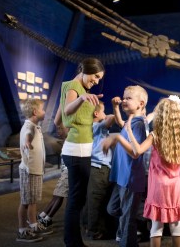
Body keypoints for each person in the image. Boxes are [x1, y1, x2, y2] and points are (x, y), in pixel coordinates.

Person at [109, 95, 180, 247]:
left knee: (156, 227)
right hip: (174, 188)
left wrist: (128, 132)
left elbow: (137, 151)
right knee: (176, 226)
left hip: (158, 187)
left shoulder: (155, 136)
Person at [59, 57, 105, 247]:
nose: (96, 81)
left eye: (99, 79)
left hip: (79, 149)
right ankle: (72, 242)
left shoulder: (81, 90)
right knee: (76, 200)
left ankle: (72, 240)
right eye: (95, 76)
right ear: (86, 69)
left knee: (77, 198)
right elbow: (67, 111)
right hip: (77, 151)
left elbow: (58, 118)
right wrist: (81, 98)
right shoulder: (73, 86)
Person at [102, 85, 148, 247]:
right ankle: (129, 228)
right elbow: (122, 124)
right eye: (124, 97)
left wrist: (116, 138)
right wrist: (115, 107)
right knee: (113, 209)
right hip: (122, 177)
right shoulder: (131, 120)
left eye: (129, 98)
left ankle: (128, 235)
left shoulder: (139, 124)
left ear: (140, 104)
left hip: (130, 178)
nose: (124, 100)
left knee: (128, 219)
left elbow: (135, 152)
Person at [16, 98, 53, 242]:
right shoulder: (29, 126)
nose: (45, 112)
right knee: (25, 201)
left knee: (33, 200)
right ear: (35, 112)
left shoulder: (36, 126)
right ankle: (22, 231)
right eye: (43, 109)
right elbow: (28, 134)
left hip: (36, 171)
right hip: (29, 171)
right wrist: (27, 141)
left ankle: (33, 225)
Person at [87, 101, 116, 240]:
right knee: (97, 199)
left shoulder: (91, 127)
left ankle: (93, 227)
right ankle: (94, 231)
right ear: (96, 114)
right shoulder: (97, 126)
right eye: (103, 111)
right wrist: (108, 114)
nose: (105, 114)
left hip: (97, 168)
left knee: (95, 198)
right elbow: (111, 118)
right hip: (99, 169)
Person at [37, 105, 69, 228]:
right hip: (64, 173)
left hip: (67, 174)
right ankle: (44, 215)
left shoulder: (69, 140)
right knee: (57, 195)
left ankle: (47, 217)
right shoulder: (65, 141)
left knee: (59, 196)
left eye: (61, 129)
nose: (58, 131)